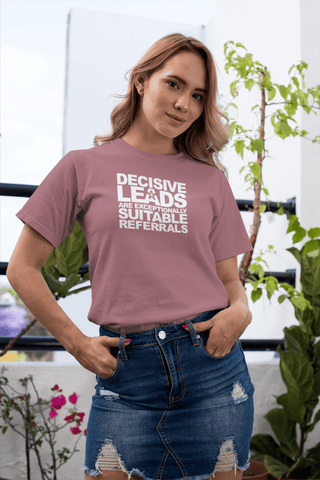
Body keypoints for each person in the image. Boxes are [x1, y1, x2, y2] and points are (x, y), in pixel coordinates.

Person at [7, 33, 255, 480]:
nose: (184, 104)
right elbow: (23, 268)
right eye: (174, 84)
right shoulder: (82, 167)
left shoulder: (211, 181)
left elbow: (229, 282)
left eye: (198, 95)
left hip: (213, 371)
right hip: (127, 375)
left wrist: (241, 310)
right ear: (142, 81)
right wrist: (76, 343)